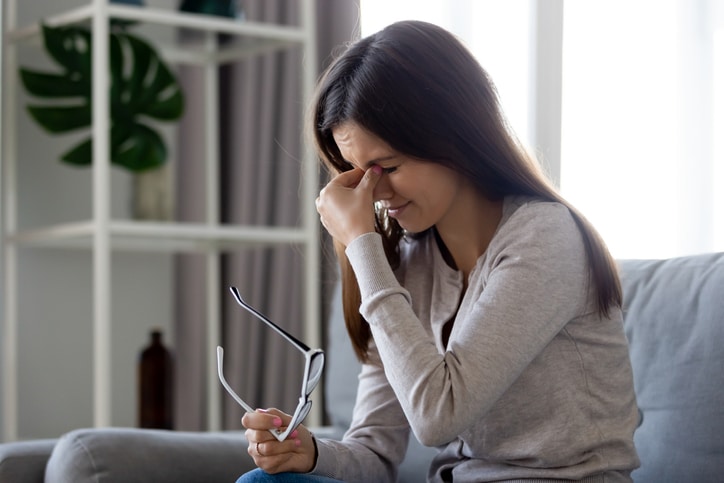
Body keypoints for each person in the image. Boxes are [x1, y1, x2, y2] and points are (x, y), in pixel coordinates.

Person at [237, 20, 640, 483]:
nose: (374, 192)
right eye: (355, 172)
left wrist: (363, 246)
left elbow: (437, 416)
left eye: (386, 166)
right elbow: (373, 452)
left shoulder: (545, 237)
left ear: (453, 135)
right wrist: (308, 454)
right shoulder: (410, 263)